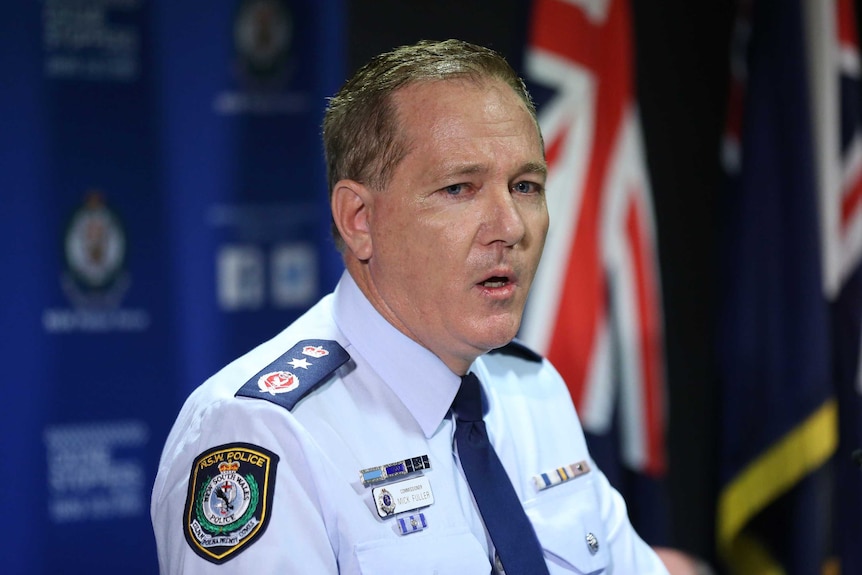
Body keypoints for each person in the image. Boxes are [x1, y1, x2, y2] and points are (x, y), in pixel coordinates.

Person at [151, 38, 670, 574]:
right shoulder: (265, 435)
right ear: (359, 220)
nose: (510, 227)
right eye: (458, 189)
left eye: (525, 186)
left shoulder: (535, 393)